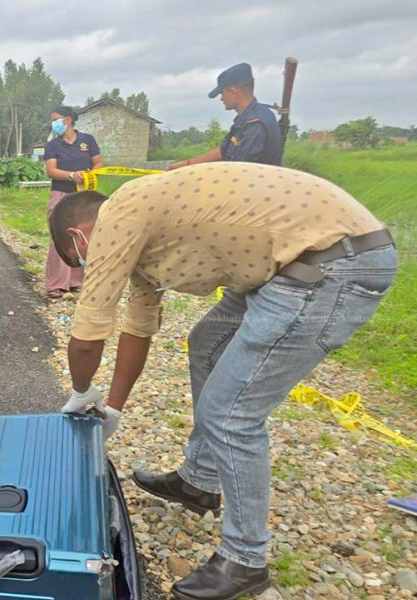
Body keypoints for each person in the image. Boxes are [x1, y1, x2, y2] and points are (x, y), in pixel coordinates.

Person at [50, 162, 396, 600]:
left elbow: (89, 329)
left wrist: (82, 391)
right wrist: (112, 406)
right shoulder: (144, 232)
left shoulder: (119, 216)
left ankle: (245, 560)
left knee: (231, 414)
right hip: (287, 260)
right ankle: (200, 480)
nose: (88, 264)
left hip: (329, 263)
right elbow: (137, 329)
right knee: (207, 343)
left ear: (79, 235)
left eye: (80, 258)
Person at [170, 63, 283, 170]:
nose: (221, 98)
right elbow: (224, 150)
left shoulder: (255, 123)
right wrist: (187, 164)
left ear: (232, 92)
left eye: (222, 93)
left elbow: (241, 169)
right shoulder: (246, 118)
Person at [43, 105, 102, 298]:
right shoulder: (53, 145)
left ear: (67, 120)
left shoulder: (87, 140)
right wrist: (71, 176)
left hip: (84, 198)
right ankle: (56, 284)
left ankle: (77, 282)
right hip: (61, 193)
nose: (53, 123)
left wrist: (90, 176)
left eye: (55, 119)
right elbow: (51, 170)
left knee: (84, 237)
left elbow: (98, 162)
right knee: (59, 237)